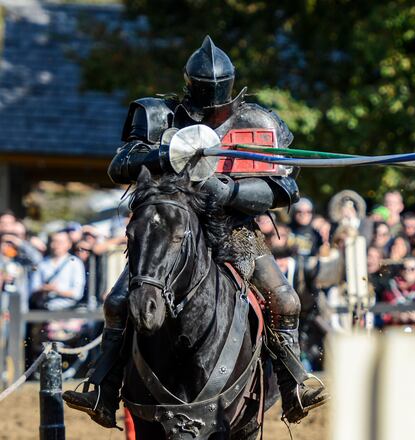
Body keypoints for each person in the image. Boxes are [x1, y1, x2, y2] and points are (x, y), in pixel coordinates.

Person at [63, 37, 327, 427]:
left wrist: (229, 191)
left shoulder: (259, 122)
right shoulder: (161, 116)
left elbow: (285, 188)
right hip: (171, 230)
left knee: (284, 300)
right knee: (119, 300)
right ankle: (103, 387)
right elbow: (121, 165)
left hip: (236, 231)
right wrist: (167, 152)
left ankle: (293, 386)